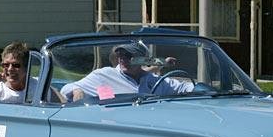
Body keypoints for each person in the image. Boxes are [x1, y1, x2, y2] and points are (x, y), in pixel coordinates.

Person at [60, 43, 192, 102]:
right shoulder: (104, 75)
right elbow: (66, 88)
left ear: (141, 59)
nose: (122, 58)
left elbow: (186, 87)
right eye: (120, 54)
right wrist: (77, 90)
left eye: (128, 55)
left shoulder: (156, 81)